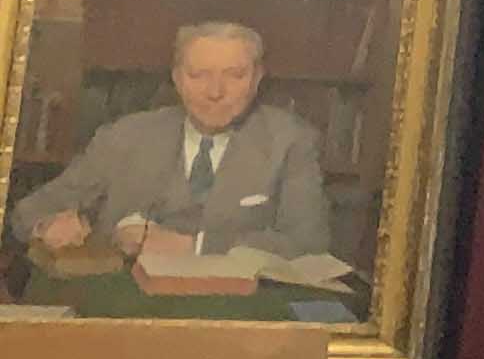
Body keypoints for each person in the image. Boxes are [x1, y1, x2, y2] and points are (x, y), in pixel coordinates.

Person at [9, 23, 334, 264]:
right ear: (177, 79)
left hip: (236, 315)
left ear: (257, 77)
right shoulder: (125, 136)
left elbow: (311, 243)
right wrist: (48, 225)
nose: (215, 91)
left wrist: (196, 246)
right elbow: (28, 212)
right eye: (198, 75)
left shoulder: (290, 140)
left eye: (234, 75)